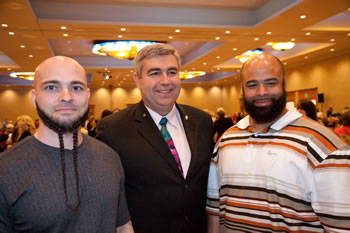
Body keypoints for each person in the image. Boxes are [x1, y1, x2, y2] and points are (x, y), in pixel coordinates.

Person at [206, 54, 350, 233]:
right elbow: (214, 210)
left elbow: (341, 225)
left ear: (284, 85)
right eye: (252, 85)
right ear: (242, 90)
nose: (261, 92)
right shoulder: (226, 141)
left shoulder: (324, 145)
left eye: (271, 83)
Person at [0, 56, 133, 233]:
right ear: (34, 98)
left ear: (87, 96)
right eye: (52, 87)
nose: (66, 97)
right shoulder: (6, 169)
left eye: (76, 87)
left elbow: (122, 226)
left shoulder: (109, 157)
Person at [96, 43, 213, 233]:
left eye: (172, 72)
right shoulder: (112, 129)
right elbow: (106, 198)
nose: (165, 81)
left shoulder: (202, 121)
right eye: (155, 73)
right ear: (137, 79)